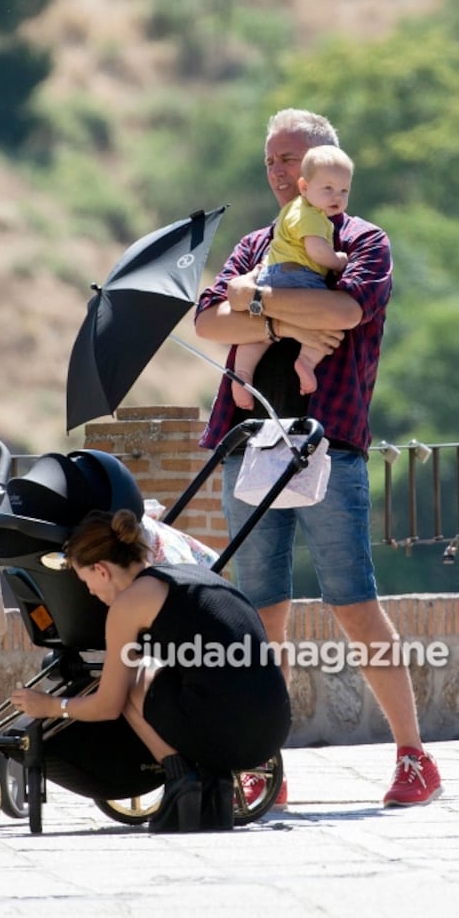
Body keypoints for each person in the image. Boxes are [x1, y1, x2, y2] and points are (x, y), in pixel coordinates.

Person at [194, 108, 442, 809]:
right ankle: (262, 765)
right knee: (260, 611)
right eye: (270, 160)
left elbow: (347, 313)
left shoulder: (362, 239)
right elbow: (210, 321)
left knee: (354, 603)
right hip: (250, 443)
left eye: (291, 158)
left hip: (328, 440)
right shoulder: (255, 242)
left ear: (323, 163)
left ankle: (413, 755)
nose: (280, 172)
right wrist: (284, 311)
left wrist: (263, 308)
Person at [10, 508, 291, 833]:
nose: (89, 592)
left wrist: (51, 707)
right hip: (272, 733)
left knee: (130, 676)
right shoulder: (190, 573)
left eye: (85, 580)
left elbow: (108, 705)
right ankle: (215, 783)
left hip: (225, 731)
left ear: (101, 570)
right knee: (168, 674)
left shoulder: (129, 604)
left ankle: (183, 778)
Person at [230, 144, 352, 410]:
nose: (337, 197)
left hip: (271, 276)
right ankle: (306, 361)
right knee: (327, 324)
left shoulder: (291, 210)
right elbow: (316, 251)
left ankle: (242, 374)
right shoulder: (314, 217)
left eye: (344, 190)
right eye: (328, 189)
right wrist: (338, 260)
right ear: (305, 187)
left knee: (257, 334)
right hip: (302, 279)